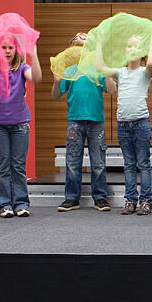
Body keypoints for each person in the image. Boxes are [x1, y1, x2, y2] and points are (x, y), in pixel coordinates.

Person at [97, 29, 152, 215]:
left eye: (136, 46)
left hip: (141, 123)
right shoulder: (120, 72)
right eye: (129, 46)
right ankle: (130, 200)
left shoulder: (144, 72)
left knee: (143, 164)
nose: (132, 49)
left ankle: (146, 200)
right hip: (123, 124)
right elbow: (100, 66)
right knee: (129, 164)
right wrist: (99, 43)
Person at [54, 32, 115, 213]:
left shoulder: (97, 69)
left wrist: (108, 71)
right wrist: (57, 82)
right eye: (78, 46)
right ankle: (72, 198)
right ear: (71, 50)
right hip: (75, 121)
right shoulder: (69, 71)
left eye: (86, 46)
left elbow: (111, 90)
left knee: (98, 161)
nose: (82, 50)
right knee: (72, 161)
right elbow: (56, 95)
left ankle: (100, 197)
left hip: (96, 121)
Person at [0, 35, 42, 218]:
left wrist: (33, 56)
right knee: (3, 166)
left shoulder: (22, 68)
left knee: (18, 166)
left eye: (11, 48)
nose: (8, 51)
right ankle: (4, 205)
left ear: (16, 50)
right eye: (3, 47)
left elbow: (36, 77)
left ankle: (21, 203)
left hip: (20, 124)